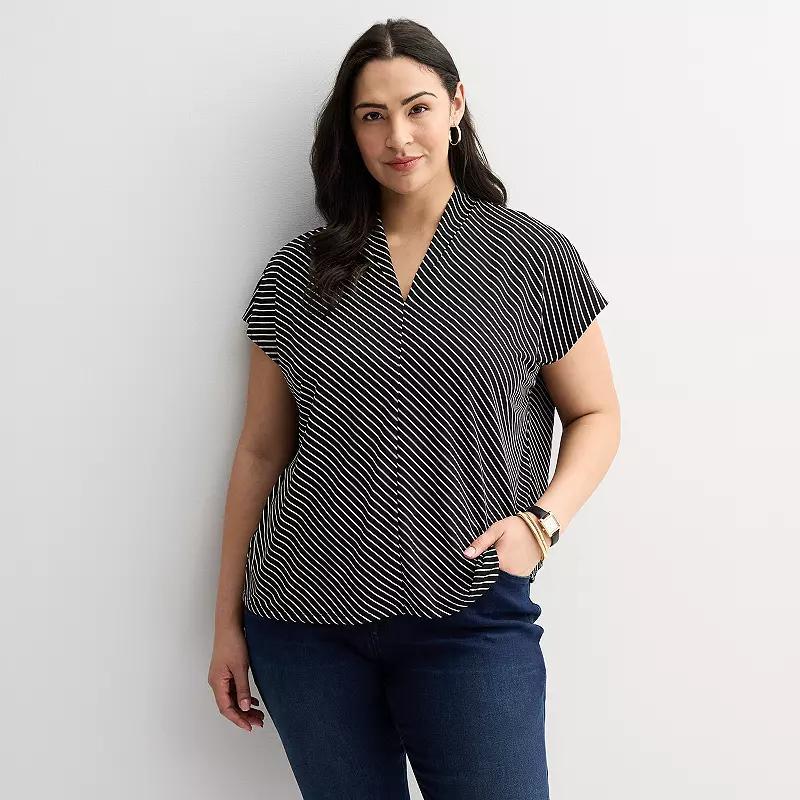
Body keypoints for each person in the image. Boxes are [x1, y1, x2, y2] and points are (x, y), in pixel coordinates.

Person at [208, 17, 620, 800]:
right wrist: (226, 622)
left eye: (417, 107)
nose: (398, 136)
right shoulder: (297, 273)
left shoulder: (532, 257)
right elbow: (261, 450)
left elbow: (597, 414)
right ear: (350, 131)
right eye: (373, 116)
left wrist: (543, 524)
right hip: (304, 621)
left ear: (456, 105)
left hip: (470, 611)